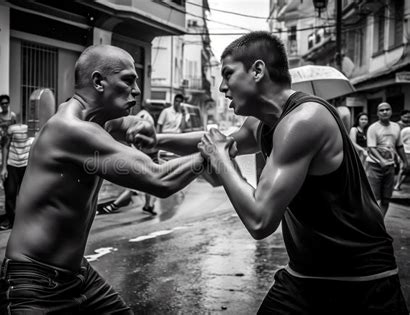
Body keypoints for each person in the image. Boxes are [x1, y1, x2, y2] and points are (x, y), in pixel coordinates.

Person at [155, 31, 408, 314]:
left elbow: (260, 220)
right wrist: (156, 140)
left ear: (258, 70)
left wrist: (220, 159)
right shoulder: (263, 123)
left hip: (362, 280)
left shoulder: (304, 120)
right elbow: (219, 138)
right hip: (304, 275)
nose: (222, 87)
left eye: (228, 74)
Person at [0, 45, 205, 314]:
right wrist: (212, 154)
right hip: (34, 285)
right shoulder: (71, 130)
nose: (137, 91)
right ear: (98, 82)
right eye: (129, 80)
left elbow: (125, 128)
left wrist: (145, 129)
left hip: (78, 276)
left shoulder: (92, 121)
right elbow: (160, 179)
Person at [99, 104, 159, 215]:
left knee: (146, 183)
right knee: (138, 184)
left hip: (141, 152)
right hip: (143, 153)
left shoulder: (138, 116)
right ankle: (114, 206)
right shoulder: (146, 118)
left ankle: (148, 205)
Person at [366, 102, 407, 217]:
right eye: (381, 110)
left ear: (391, 111)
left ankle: (380, 224)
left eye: (387, 109)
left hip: (390, 166)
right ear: (377, 113)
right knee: (373, 198)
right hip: (374, 166)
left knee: (386, 199)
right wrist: (381, 161)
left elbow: (399, 146)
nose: (385, 112)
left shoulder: (396, 127)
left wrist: (405, 161)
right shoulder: (373, 128)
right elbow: (371, 148)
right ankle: (371, 224)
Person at [0, 124, 34, 230]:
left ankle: (25, 221)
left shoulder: (34, 127)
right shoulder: (12, 128)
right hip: (12, 164)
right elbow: (5, 146)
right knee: (10, 192)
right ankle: (10, 219)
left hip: (26, 165)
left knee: (27, 194)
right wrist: (4, 167)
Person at [0, 94, 17, 190]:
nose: (4, 105)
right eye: (2, 103)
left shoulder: (13, 116)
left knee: (4, 163)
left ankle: (1, 182)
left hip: (8, 143)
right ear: (0, 104)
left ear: (9, 103)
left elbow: (15, 128)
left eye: (6, 103)